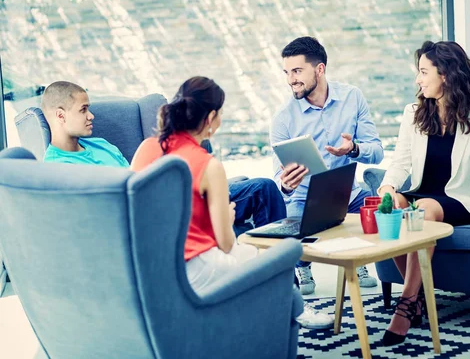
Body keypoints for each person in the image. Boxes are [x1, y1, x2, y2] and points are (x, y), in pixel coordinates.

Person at [130, 76, 335, 329]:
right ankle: (295, 312)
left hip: (149, 267)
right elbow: (226, 244)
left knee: (255, 253)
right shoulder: (208, 165)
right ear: (211, 118)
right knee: (278, 258)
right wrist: (227, 218)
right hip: (194, 269)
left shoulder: (147, 147)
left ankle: (288, 311)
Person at [377, 41, 470, 346]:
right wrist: (388, 187)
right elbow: (401, 162)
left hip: (459, 202)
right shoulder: (414, 112)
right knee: (392, 209)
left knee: (426, 209)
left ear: (444, 74)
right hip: (422, 194)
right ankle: (417, 299)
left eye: (423, 72)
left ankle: (406, 306)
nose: (418, 80)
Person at [40, 81, 287, 238]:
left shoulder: (99, 144)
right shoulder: (58, 168)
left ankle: (287, 277)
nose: (91, 115)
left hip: (169, 194)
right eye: (83, 109)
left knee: (263, 188)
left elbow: (136, 175)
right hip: (154, 214)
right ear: (60, 116)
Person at [271, 37, 384, 295]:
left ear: (319, 69)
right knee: (293, 221)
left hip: (347, 194)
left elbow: (377, 152)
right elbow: (278, 175)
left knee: (382, 214)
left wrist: (354, 149)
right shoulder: (283, 118)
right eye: (287, 73)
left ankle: (358, 260)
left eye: (297, 71)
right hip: (304, 197)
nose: (291, 80)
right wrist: (286, 185)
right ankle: (304, 267)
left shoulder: (352, 98)